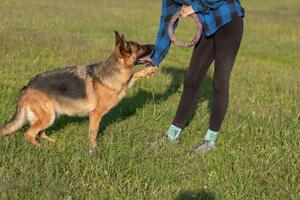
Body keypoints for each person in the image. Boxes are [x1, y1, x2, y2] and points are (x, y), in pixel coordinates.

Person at [147, 0, 245, 154]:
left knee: (220, 81)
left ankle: (210, 140)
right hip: (208, 26)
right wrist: (155, 59)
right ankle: (172, 136)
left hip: (228, 20)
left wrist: (194, 7)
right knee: (191, 81)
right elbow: (167, 24)